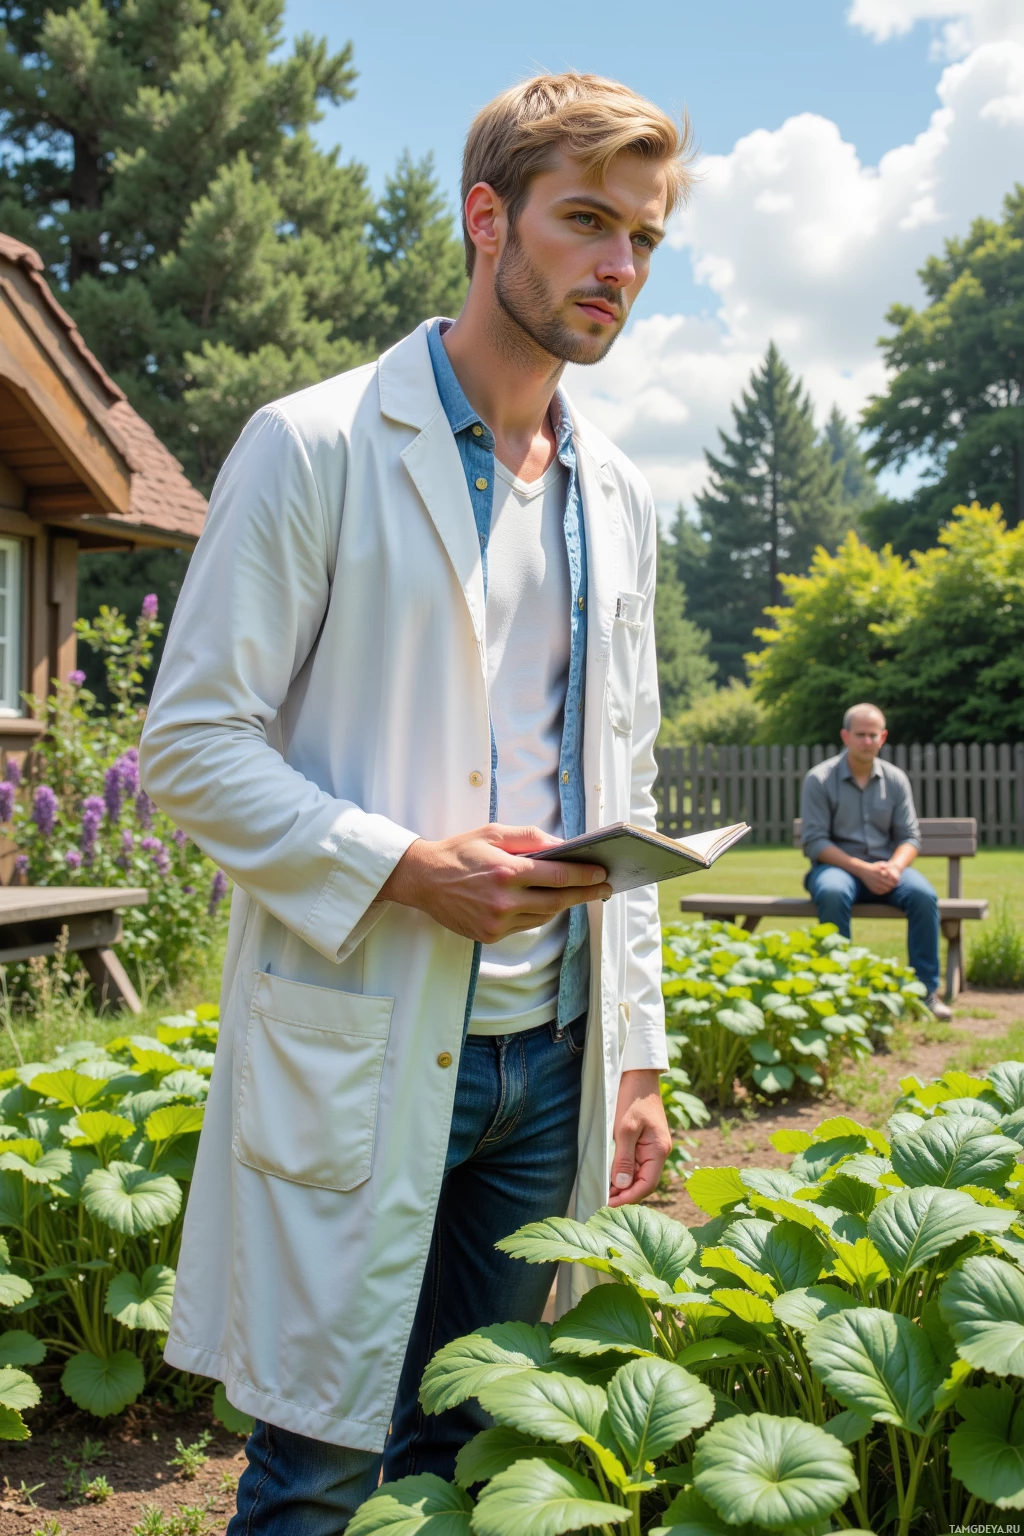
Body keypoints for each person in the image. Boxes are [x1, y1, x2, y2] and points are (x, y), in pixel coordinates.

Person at [139, 72, 693, 1534]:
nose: (619, 268)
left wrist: (634, 1053)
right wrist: (398, 868)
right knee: (317, 1469)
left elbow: (614, 780)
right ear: (485, 217)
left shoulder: (619, 493)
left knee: (477, 1445)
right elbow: (191, 743)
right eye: (587, 223)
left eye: (643, 237)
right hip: (368, 1038)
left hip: (550, 1060)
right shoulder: (313, 446)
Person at [800, 702, 951, 1020]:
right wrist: (863, 870)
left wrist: (894, 867)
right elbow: (815, 842)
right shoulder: (819, 779)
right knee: (832, 892)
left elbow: (910, 837)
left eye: (873, 735)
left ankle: (926, 994)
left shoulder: (896, 780)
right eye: (860, 735)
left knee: (924, 895)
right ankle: (839, 991)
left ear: (883, 737)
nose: (867, 741)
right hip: (837, 870)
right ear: (845, 736)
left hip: (888, 870)